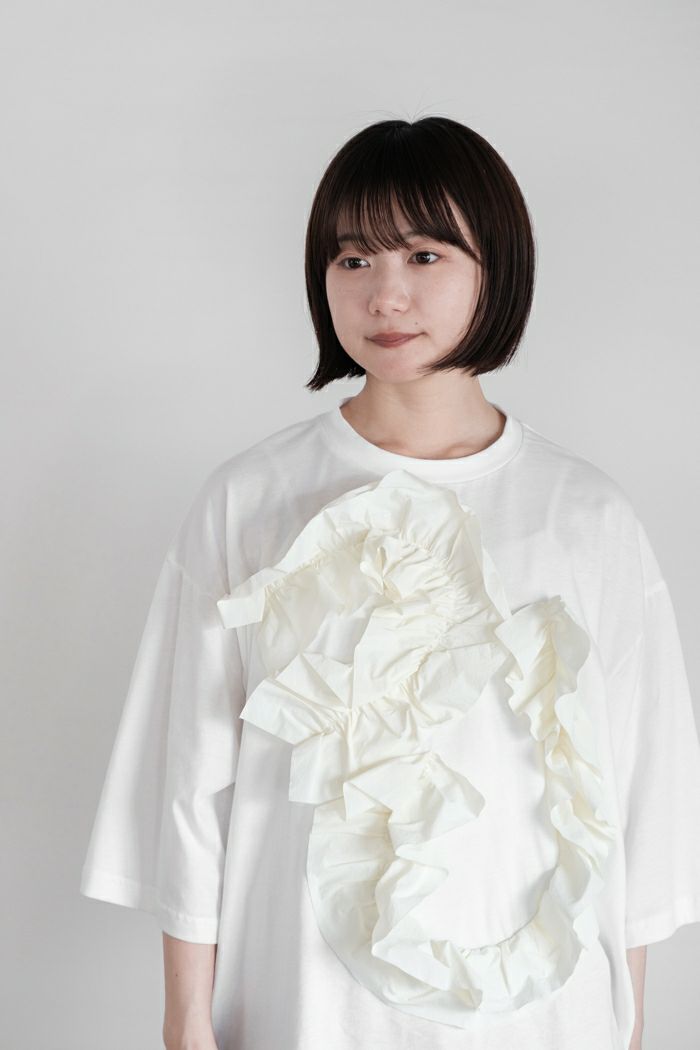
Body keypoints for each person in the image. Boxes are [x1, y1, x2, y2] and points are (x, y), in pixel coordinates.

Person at [79, 116, 700, 1050]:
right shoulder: (251, 499)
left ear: (497, 266)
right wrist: (186, 1021)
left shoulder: (586, 515)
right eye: (354, 258)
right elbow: (190, 777)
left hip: (541, 1016)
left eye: (424, 254)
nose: (385, 294)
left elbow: (642, 793)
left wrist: (628, 1024)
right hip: (304, 1004)